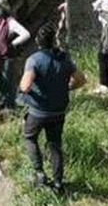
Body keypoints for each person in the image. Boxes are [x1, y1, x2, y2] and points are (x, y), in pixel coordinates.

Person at [18, 22, 86, 194]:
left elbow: (25, 86)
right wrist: (66, 87)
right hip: (59, 110)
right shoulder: (64, 58)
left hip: (38, 111)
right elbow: (81, 80)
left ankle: (40, 173)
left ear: (38, 41)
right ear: (54, 40)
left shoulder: (34, 60)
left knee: (30, 138)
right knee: (55, 145)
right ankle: (58, 183)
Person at [0, 0, 30, 109]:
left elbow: (26, 34)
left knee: (8, 80)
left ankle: (11, 105)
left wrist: (13, 44)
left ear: (3, 7)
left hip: (7, 56)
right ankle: (5, 100)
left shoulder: (10, 22)